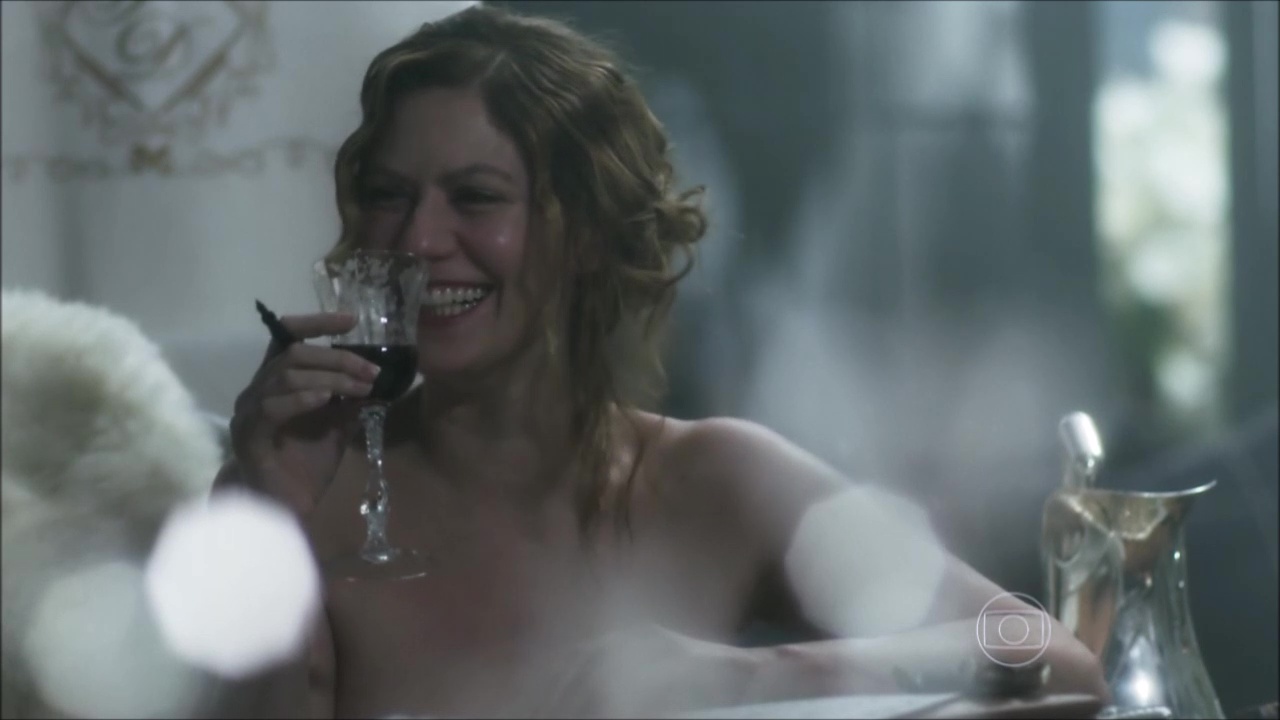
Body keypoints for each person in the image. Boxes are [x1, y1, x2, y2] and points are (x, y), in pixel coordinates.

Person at [212, 5, 1109, 718]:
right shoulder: (305, 490)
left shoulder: (709, 477)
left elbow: (1049, 655)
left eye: (475, 198)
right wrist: (262, 517)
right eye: (389, 197)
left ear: (585, 231)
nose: (417, 240)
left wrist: (752, 676)